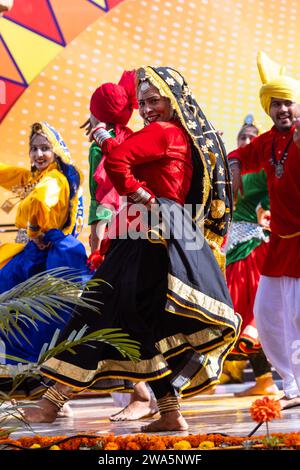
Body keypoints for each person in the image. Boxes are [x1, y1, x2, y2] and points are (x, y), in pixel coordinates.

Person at [23, 66, 240, 432]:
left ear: (172, 101)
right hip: (161, 231)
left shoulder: (162, 131)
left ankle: (51, 401)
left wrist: (139, 191)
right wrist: (112, 144)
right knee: (144, 323)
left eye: (154, 100)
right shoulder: (183, 134)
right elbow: (127, 156)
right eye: (142, 103)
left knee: (98, 308)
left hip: (147, 232)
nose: (148, 109)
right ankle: (169, 412)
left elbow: (119, 160)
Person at [84, 71, 158, 421]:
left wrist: (98, 226)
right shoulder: (132, 134)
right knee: (129, 311)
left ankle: (141, 393)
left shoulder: (104, 142)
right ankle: (147, 393)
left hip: (119, 231)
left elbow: (106, 184)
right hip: (142, 227)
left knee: (115, 311)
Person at [229, 51, 300, 409]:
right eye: (275, 104)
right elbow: (239, 154)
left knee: (299, 316)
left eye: (287, 103)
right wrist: (236, 165)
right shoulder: (270, 141)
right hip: (279, 247)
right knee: (269, 317)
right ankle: (291, 384)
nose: (282, 110)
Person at [0, 121, 88, 377]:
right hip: (32, 253)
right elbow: (9, 175)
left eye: (45, 149)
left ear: (56, 151)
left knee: (29, 317)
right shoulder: (35, 177)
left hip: (40, 257)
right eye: (34, 149)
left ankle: (44, 379)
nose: (39, 155)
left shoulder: (54, 178)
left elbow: (40, 199)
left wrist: (35, 229)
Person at [225, 115, 278, 396]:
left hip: (255, 250)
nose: (246, 142)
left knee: (252, 312)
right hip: (234, 250)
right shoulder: (232, 168)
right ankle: (264, 381)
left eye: (251, 138)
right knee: (240, 312)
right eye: (242, 138)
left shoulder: (261, 171)